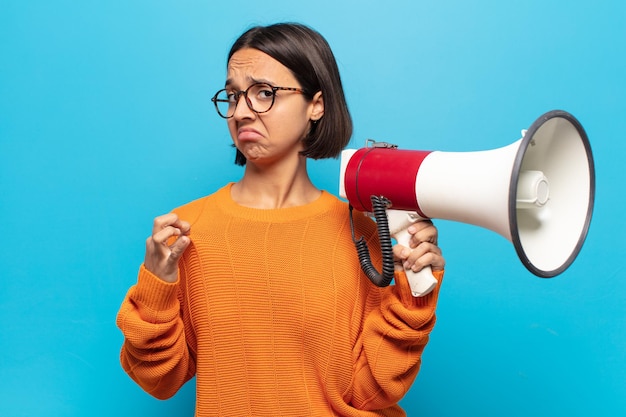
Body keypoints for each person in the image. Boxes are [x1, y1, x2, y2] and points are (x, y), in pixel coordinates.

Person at [116, 22, 445, 417]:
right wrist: (157, 286)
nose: (240, 112)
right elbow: (160, 380)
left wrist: (415, 296)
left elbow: (370, 393)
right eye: (233, 96)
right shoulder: (188, 231)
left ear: (316, 104)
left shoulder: (364, 234)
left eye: (263, 93)